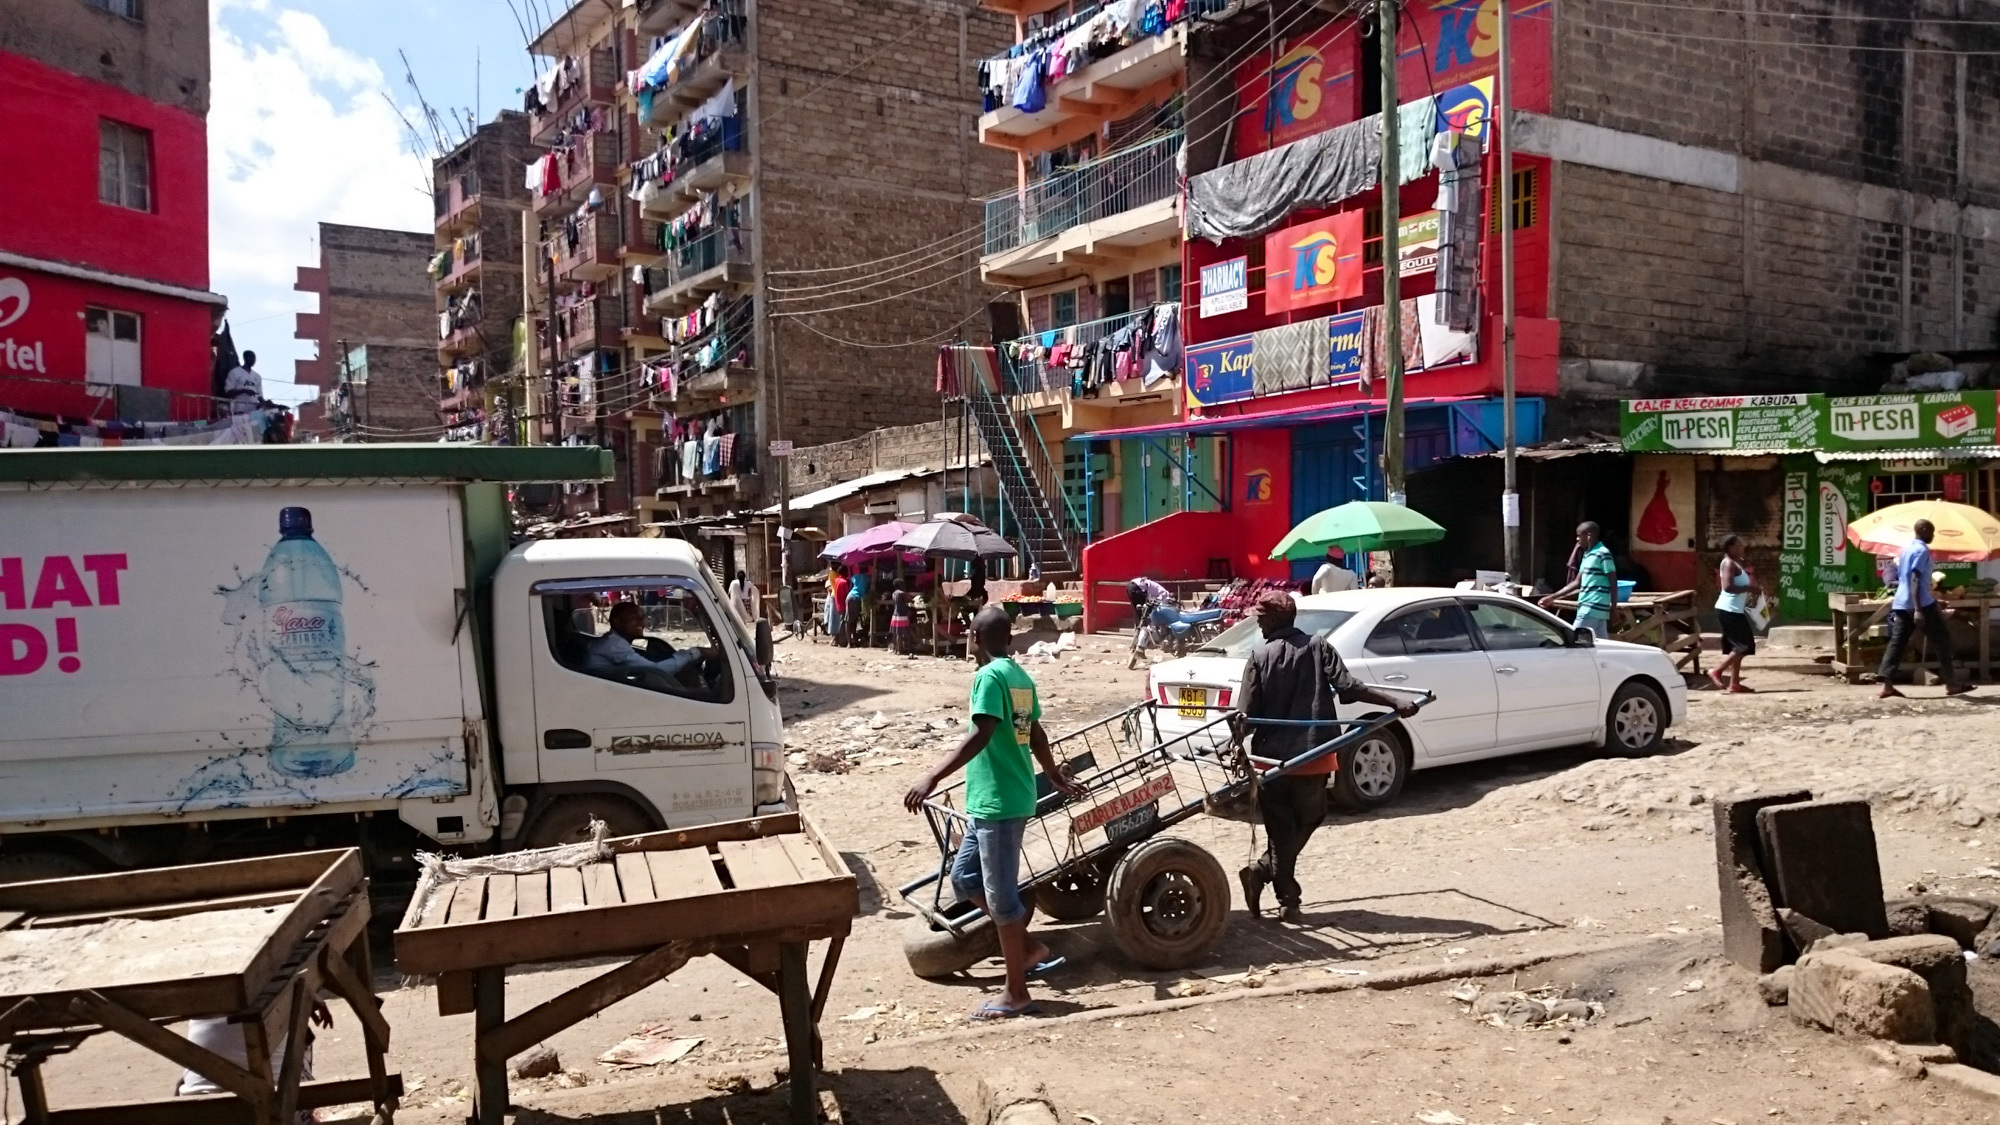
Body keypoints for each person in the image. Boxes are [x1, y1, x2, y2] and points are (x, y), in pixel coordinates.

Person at [904, 605, 1086, 1020]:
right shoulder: (1020, 676)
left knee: (1002, 900)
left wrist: (931, 776)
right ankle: (1028, 949)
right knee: (965, 877)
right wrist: (1054, 774)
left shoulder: (988, 677)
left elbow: (982, 732)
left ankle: (1016, 993)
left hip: (1000, 800)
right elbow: (1034, 732)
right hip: (997, 797)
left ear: (974, 637)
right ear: (1008, 639)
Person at [1231, 593, 1418, 924]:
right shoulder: (1318, 647)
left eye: (1261, 617)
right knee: (1309, 816)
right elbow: (1350, 688)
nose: (1257, 621)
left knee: (1282, 828)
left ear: (1276, 619)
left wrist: (1235, 745)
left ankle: (1265, 874)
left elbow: (1246, 716)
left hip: (1270, 759)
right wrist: (1394, 702)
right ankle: (1282, 894)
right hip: (1312, 752)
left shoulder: (1260, 657)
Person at [1879, 518, 1972, 698]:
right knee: (1942, 640)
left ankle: (1887, 686)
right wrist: (1919, 609)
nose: (1933, 535)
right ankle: (1952, 684)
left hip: (1901, 603)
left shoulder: (1906, 550)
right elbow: (1914, 579)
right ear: (1923, 530)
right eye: (1931, 531)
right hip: (1919, 604)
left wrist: (1933, 601)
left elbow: (1909, 581)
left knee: (1897, 644)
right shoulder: (1921, 550)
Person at [587, 602, 713, 677]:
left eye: (642, 618)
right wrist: (695, 652)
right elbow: (656, 671)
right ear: (617, 622)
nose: (642, 623)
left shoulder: (615, 642)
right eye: (634, 619)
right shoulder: (614, 645)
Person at [1540, 521, 1616, 639]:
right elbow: (1576, 582)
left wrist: (1613, 608)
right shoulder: (1587, 555)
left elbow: (1613, 582)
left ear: (1589, 536)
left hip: (1592, 607)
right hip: (1590, 608)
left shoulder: (1603, 553)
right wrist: (1552, 597)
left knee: (1573, 639)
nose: (1577, 539)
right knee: (1600, 644)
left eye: (1579, 535)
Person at [1711, 535, 1763, 693]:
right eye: (1739, 545)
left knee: (1737, 647)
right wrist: (1749, 589)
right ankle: (1717, 671)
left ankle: (1734, 683)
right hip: (1729, 610)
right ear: (1731, 547)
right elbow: (1727, 587)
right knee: (1744, 645)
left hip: (1734, 609)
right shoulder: (1728, 563)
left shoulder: (1734, 564)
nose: (1743, 548)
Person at [1125, 575, 1173, 669]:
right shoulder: (1165, 593)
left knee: (1138, 613)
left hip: (1130, 586)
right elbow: (1161, 602)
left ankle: (1138, 628)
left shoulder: (1155, 587)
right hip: (1137, 588)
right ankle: (1140, 647)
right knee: (1145, 620)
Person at [847, 566, 870, 646]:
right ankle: (850, 642)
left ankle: (852, 640)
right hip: (856, 598)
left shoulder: (855, 577)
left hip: (850, 596)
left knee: (851, 619)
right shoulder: (866, 578)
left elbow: (851, 585)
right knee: (852, 620)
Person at [826, 564, 849, 645]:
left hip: (835, 596)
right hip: (837, 597)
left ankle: (835, 638)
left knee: (835, 619)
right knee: (837, 619)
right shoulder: (834, 574)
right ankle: (836, 639)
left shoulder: (836, 576)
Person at [889, 579, 914, 654]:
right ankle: (906, 649)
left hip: (895, 615)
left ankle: (897, 649)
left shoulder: (894, 594)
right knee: (906, 632)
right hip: (902, 615)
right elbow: (910, 600)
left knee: (897, 633)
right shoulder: (902, 593)